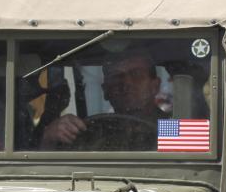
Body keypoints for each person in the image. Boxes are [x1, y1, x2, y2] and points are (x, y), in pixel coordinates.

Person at [39, 53, 167, 148]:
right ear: (105, 90)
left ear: (154, 86)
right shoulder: (88, 132)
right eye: (116, 76)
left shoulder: (171, 129)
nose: (126, 83)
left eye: (136, 74)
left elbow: (181, 169)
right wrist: (49, 138)